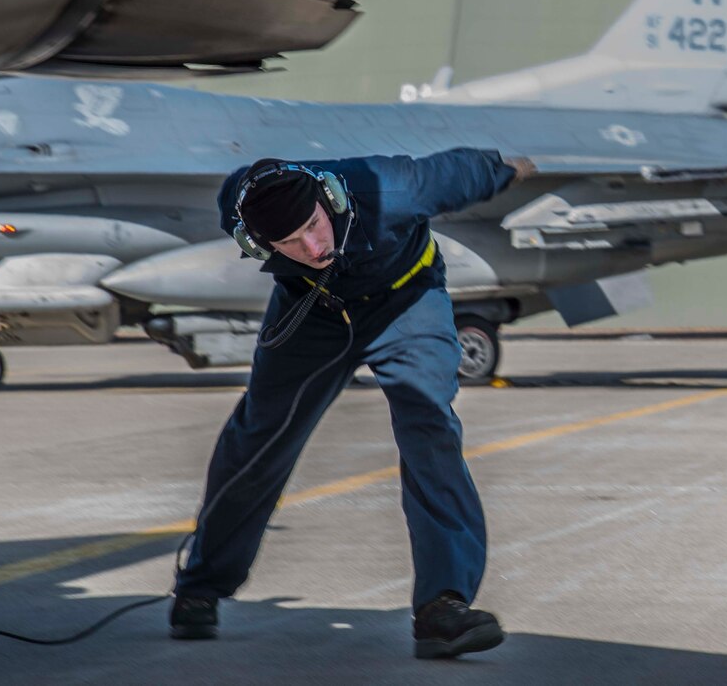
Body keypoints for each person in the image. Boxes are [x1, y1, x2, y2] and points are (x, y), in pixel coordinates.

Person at [169, 148, 536, 659]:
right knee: (260, 437)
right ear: (256, 243)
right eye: (289, 243)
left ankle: (442, 608)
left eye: (314, 226)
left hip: (406, 302)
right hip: (311, 313)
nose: (314, 246)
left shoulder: (392, 189)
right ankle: (200, 587)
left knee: (428, 424)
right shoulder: (240, 201)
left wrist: (511, 166)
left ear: (332, 199)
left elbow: (464, 171)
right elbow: (250, 204)